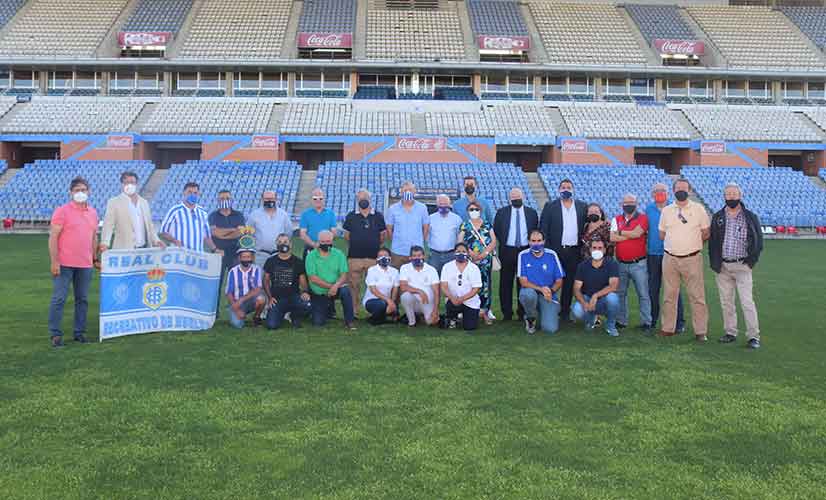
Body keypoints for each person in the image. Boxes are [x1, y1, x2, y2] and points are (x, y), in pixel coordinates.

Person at [709, 183, 763, 349]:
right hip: (723, 267)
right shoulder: (718, 216)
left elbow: (758, 241)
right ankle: (730, 332)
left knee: (747, 302)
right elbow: (712, 243)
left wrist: (751, 262)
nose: (731, 196)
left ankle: (753, 336)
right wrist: (715, 263)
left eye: (734, 193)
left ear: (740, 195)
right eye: (728, 193)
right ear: (724, 196)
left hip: (742, 266)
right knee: (726, 302)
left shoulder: (750, 216)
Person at [48, 177, 99, 348]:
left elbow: (93, 236)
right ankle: (55, 334)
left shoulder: (93, 212)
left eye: (83, 189)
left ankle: (79, 332)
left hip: (85, 264)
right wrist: (54, 261)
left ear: (89, 191)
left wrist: (95, 258)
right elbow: (53, 237)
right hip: (64, 263)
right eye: (77, 190)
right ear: (71, 192)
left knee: (82, 299)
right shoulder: (62, 211)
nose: (80, 193)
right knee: (59, 299)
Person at [658, 178, 710, 342]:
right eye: (678, 188)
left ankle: (700, 331)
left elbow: (706, 232)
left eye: (684, 188)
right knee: (669, 295)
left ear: (689, 191)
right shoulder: (666, 210)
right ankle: (668, 328)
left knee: (697, 296)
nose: (681, 190)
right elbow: (662, 234)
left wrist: (691, 245)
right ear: (673, 191)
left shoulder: (699, 209)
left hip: (692, 258)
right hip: (670, 258)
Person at [540, 178, 587, 321]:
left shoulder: (582, 207)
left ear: (573, 189)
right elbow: (544, 228)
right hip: (555, 250)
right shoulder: (550, 206)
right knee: (551, 280)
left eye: (568, 187)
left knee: (569, 282)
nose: (566, 189)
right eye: (563, 187)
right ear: (559, 190)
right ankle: (547, 309)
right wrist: (546, 250)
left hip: (574, 251)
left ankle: (565, 312)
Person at [494, 187, 539, 322]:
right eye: (513, 198)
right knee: (505, 283)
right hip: (508, 250)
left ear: (523, 197)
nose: (516, 200)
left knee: (524, 282)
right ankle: (507, 313)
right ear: (509, 199)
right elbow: (497, 230)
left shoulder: (532, 213)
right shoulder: (502, 212)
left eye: (518, 197)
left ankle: (522, 312)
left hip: (525, 251)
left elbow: (535, 231)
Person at [645, 183, 685, 333]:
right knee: (653, 289)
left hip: (671, 253)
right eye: (656, 191)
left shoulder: (676, 208)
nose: (659, 193)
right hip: (653, 255)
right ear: (652, 194)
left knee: (674, 289)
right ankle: (653, 320)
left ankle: (679, 322)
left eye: (662, 191)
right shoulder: (648, 210)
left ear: (668, 193)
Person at [610, 194, 653, 333]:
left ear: (636, 203)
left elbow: (637, 234)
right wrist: (629, 234)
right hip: (621, 263)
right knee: (620, 293)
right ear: (621, 204)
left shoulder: (643, 218)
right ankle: (622, 320)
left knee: (643, 294)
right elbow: (612, 237)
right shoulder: (616, 219)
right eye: (626, 202)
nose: (629, 204)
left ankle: (646, 322)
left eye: (632, 202)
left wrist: (621, 233)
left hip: (638, 263)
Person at [342, 189, 386, 315]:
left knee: (373, 286)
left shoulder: (378, 216)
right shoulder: (351, 216)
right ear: (357, 200)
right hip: (354, 257)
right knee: (353, 286)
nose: (363, 200)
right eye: (360, 198)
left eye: (365, 197)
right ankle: (353, 311)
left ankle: (372, 311)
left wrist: (374, 244)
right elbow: (346, 235)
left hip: (373, 258)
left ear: (370, 199)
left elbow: (382, 235)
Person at [305, 230, 355, 329]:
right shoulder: (311, 256)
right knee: (318, 322)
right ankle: (327, 308)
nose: (325, 244)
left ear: (332, 241)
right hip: (319, 292)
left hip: (336, 289)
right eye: (322, 242)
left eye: (328, 241)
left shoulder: (339, 254)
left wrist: (335, 286)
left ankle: (349, 321)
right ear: (318, 242)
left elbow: (344, 274)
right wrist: (331, 287)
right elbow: (313, 278)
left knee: (345, 291)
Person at [100, 170, 162, 251]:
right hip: (125, 250)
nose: (130, 185)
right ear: (122, 184)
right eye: (126, 182)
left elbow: (149, 225)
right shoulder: (114, 202)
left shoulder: (144, 202)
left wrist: (157, 240)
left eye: (132, 182)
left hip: (144, 249)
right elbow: (108, 225)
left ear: (137, 184)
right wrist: (105, 242)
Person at [517, 230, 564, 334]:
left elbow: (559, 280)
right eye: (533, 241)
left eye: (539, 241)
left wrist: (550, 291)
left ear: (544, 241)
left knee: (550, 329)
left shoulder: (552, 254)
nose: (536, 244)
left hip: (548, 294)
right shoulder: (522, 255)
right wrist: (541, 289)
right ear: (529, 242)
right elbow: (523, 282)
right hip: (532, 291)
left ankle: (544, 312)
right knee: (528, 294)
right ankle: (530, 319)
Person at [458, 200, 497, 325]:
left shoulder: (487, 224)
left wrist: (484, 253)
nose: (474, 212)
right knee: (469, 285)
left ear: (480, 211)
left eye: (476, 209)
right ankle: (468, 310)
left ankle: (485, 311)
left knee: (485, 286)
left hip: (485, 260)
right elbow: (460, 242)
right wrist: (470, 253)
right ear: (468, 212)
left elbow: (493, 241)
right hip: (470, 260)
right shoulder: (465, 225)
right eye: (471, 209)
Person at [572, 239, 621, 337]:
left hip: (604, 300)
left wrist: (596, 296)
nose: (597, 250)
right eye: (594, 248)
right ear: (590, 250)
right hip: (587, 298)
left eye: (600, 248)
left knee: (613, 298)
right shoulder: (583, 266)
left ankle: (610, 325)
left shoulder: (612, 264)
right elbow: (576, 288)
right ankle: (591, 319)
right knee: (577, 310)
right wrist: (584, 303)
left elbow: (614, 286)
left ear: (605, 250)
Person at [208, 190, 245, 318]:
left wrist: (223, 232)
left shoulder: (239, 215)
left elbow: (240, 233)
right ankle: (214, 312)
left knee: (237, 284)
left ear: (232, 199)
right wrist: (232, 230)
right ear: (218, 201)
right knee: (216, 284)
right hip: (218, 253)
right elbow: (214, 233)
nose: (224, 200)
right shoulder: (213, 215)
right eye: (222, 198)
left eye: (227, 197)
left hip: (235, 253)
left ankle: (236, 311)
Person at [263, 233, 312, 330]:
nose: (283, 244)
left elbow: (303, 281)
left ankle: (294, 315)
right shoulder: (270, 261)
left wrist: (305, 292)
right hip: (277, 299)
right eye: (280, 242)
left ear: (291, 244)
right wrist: (270, 297)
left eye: (285, 242)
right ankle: (280, 314)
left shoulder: (298, 261)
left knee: (308, 305)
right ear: (276, 245)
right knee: (271, 325)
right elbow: (265, 281)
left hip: (294, 297)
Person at [160, 182, 223, 254]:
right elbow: (163, 232)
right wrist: (175, 241)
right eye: (189, 192)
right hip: (179, 255)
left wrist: (215, 249)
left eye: (195, 193)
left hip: (197, 256)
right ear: (184, 193)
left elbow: (206, 236)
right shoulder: (175, 211)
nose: (192, 195)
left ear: (198, 194)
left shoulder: (203, 213)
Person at [385, 181, 430, 269]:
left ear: (414, 192)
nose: (408, 192)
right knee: (397, 277)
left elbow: (426, 227)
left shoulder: (422, 208)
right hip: (398, 251)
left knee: (417, 276)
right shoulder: (393, 208)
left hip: (416, 252)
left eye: (410, 189)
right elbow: (389, 228)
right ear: (401, 192)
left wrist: (420, 241)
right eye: (405, 190)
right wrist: (395, 241)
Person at [440, 242, 483, 331]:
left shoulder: (474, 268)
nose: (461, 253)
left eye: (464, 251)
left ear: (468, 253)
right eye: (458, 251)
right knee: (451, 305)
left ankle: (475, 314)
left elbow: (476, 289)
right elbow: (444, 286)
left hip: (470, 302)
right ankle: (453, 318)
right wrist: (452, 298)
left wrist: (462, 299)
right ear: (454, 253)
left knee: (469, 327)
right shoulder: (447, 266)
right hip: (453, 301)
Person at [225, 248, 267, 329]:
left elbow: (258, 289)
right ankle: (239, 314)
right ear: (239, 258)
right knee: (237, 325)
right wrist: (236, 309)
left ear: (252, 258)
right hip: (236, 302)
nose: (246, 259)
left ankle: (256, 317)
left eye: (248, 257)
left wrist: (242, 300)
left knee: (261, 299)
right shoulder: (233, 271)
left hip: (250, 301)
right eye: (244, 257)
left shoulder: (257, 269)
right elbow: (229, 292)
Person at [399, 246, 440, 327]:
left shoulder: (431, 269)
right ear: (410, 257)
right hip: (413, 299)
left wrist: (435, 310)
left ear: (424, 256)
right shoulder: (404, 268)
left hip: (427, 300)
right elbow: (403, 287)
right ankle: (412, 322)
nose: (417, 258)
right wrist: (420, 291)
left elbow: (436, 292)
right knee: (405, 296)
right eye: (414, 256)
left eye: (419, 255)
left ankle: (422, 316)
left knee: (431, 322)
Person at [248, 190, 292, 267]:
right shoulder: (254, 215)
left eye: (271, 198)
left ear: (276, 199)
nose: (269, 201)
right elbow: (248, 234)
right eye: (266, 199)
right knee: (260, 278)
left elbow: (288, 233)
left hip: (279, 254)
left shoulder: (283, 215)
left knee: (278, 278)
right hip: (260, 255)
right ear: (262, 200)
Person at [362, 248, 400, 325]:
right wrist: (388, 301)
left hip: (387, 301)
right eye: (380, 256)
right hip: (371, 300)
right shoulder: (372, 270)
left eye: (386, 255)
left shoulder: (395, 271)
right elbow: (373, 290)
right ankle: (375, 319)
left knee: (392, 308)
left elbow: (395, 289)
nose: (383, 258)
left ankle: (380, 318)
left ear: (390, 257)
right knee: (381, 304)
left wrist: (392, 302)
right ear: (377, 259)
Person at [427, 194, 462, 275]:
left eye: (445, 204)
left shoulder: (457, 219)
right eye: (441, 204)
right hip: (434, 255)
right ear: (437, 205)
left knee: (450, 278)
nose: (443, 206)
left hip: (451, 255)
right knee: (433, 279)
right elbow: (427, 236)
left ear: (449, 205)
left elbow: (459, 237)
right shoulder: (430, 218)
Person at [299, 187, 337, 259]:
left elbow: (334, 232)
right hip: (310, 249)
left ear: (324, 199)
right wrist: (314, 244)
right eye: (315, 198)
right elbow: (302, 234)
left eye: (320, 198)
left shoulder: (331, 213)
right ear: (311, 200)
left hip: (327, 248)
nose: (318, 200)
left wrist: (324, 243)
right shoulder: (305, 214)